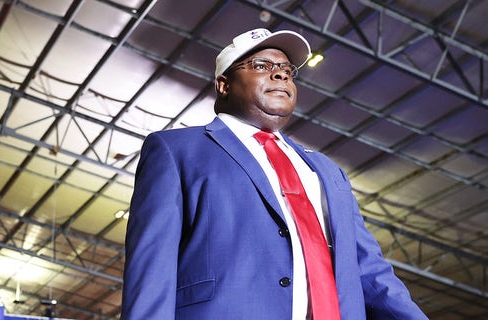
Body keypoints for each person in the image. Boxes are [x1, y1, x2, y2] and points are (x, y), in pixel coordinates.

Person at [121, 28, 428, 320]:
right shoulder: (177, 150)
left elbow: (369, 270)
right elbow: (152, 267)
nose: (280, 73)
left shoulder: (326, 170)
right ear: (224, 84)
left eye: (286, 69)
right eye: (261, 65)